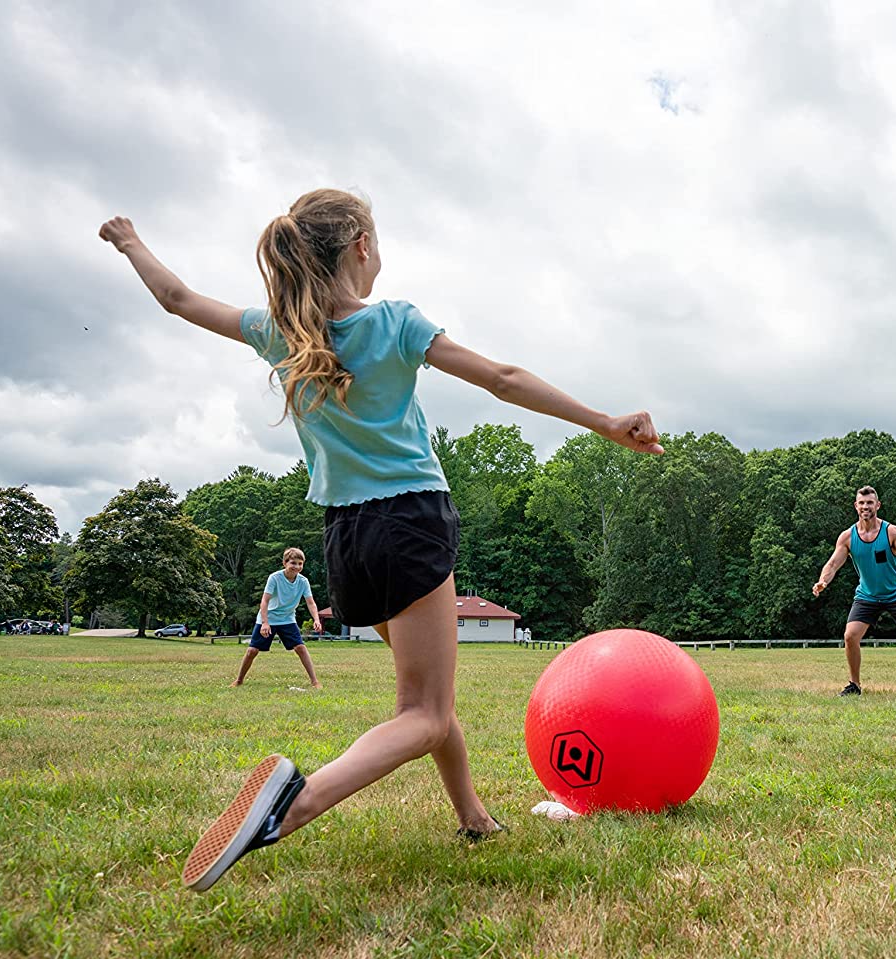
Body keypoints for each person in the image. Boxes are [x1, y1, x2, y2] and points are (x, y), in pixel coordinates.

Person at [99, 189, 662, 893]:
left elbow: (178, 298)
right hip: (410, 522)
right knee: (422, 714)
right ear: (361, 243)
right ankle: (290, 805)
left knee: (430, 699)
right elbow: (503, 379)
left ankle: (475, 819)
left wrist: (129, 242)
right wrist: (605, 421)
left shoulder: (281, 333)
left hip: (346, 538)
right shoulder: (394, 321)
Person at [812, 485, 896, 697]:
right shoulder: (847, 537)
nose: (866, 506)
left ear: (878, 505)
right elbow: (833, 564)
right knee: (850, 636)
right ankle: (854, 685)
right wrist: (823, 581)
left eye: (870, 502)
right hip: (867, 596)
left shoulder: (890, 531)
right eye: (862, 503)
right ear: (856, 506)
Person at [233, 548, 323, 689]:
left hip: (287, 619)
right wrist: (265, 623)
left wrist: (316, 619)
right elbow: (264, 601)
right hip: (268, 618)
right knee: (252, 651)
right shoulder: (274, 578)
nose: (297, 567)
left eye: (300, 564)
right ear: (284, 563)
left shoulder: (303, 581)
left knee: (301, 647)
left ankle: (315, 682)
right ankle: (239, 680)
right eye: (293, 563)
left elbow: (310, 602)